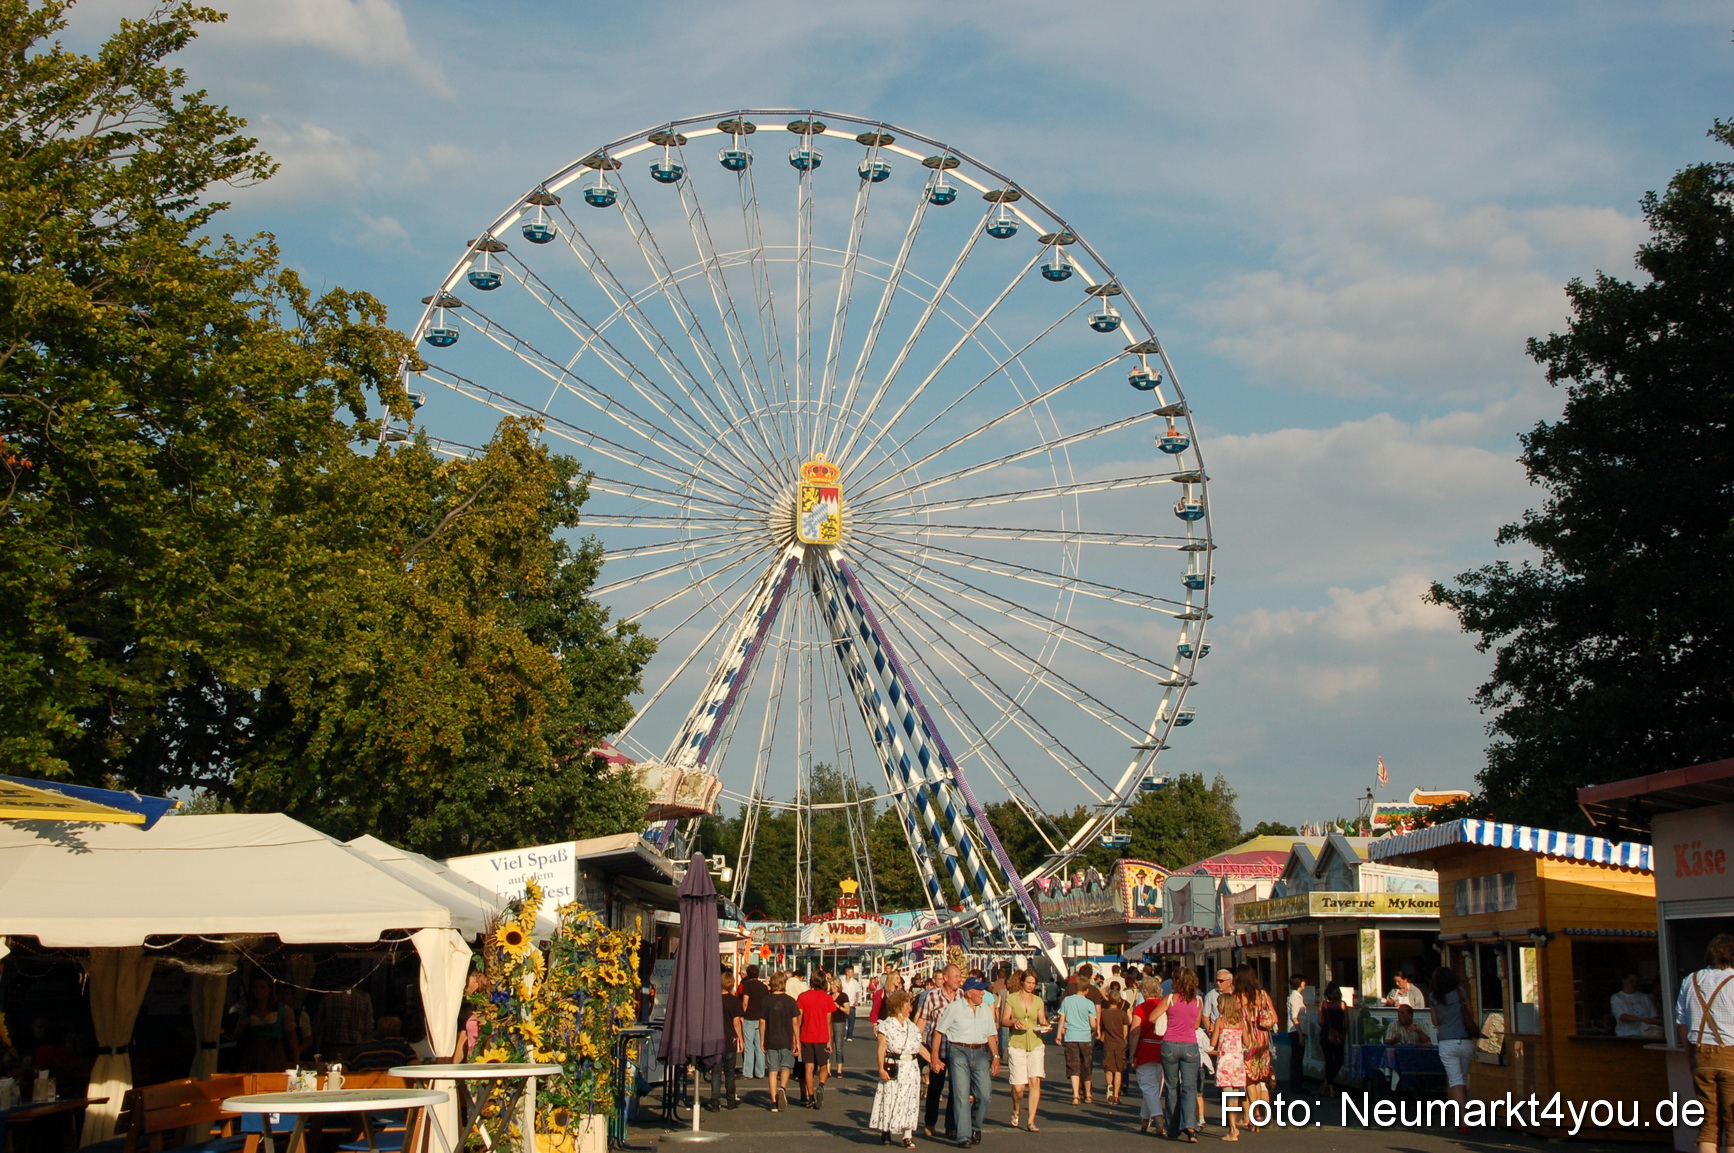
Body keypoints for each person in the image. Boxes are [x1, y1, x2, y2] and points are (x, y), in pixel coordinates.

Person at [1678, 934, 1734, 1153]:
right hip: (1730, 1051)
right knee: (1732, 1119)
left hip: (1699, 1052)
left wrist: (1689, 1055)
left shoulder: (1690, 980)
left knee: (1708, 1120)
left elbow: (1681, 1023)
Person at [932, 977, 1000, 1147]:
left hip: (981, 1052)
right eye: (979, 990)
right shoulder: (955, 1008)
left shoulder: (984, 1008)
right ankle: (963, 1136)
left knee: (984, 1095)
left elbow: (991, 1034)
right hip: (959, 1051)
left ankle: (975, 1126)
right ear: (969, 993)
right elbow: (939, 1032)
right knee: (961, 1095)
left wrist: (996, 1057)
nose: (983, 993)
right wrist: (934, 1056)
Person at [870, 991, 930, 1149]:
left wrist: (933, 1061)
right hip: (894, 1065)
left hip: (911, 1067)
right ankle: (887, 1130)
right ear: (898, 1007)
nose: (910, 1008)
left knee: (910, 1100)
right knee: (891, 1098)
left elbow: (918, 1047)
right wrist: (881, 1068)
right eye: (907, 1005)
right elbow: (881, 1048)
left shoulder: (912, 1027)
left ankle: (907, 1135)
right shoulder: (886, 1025)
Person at [916, 964, 963, 1138]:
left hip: (958, 1049)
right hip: (938, 1050)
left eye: (960, 976)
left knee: (956, 1089)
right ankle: (930, 1122)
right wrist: (914, 1038)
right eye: (956, 976)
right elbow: (923, 1019)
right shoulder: (932, 997)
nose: (959, 979)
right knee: (935, 1088)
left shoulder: (962, 996)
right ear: (945, 978)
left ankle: (951, 1125)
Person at [1000, 969, 1048, 1131]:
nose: (1031, 986)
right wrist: (1013, 1022)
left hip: (1035, 1044)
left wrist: (1045, 1026)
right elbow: (1004, 1020)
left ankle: (1031, 1120)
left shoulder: (1038, 1001)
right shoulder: (1012, 998)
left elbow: (1042, 1020)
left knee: (1035, 1081)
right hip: (1017, 1044)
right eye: (1028, 983)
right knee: (1019, 1088)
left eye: (1033, 983)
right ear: (1022, 982)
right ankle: (1016, 1108)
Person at [1429, 966, 1475, 1134]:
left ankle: (1462, 1118)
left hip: (1447, 1042)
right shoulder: (1461, 992)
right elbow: (1470, 1013)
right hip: (1466, 1040)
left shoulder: (1434, 997)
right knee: (1463, 1077)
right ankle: (1464, 1114)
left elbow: (1435, 1021)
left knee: (1455, 1080)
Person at [1159, 968, 1203, 1142]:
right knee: (1190, 1087)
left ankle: (1172, 1127)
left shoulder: (1169, 999)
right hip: (1190, 1045)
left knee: (1171, 1087)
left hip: (1170, 1043)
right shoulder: (1198, 1001)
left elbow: (1153, 1017)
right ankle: (1190, 1126)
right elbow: (1196, 1025)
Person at [1233, 966, 1279, 1127]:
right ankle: (1265, 1111)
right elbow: (1274, 1016)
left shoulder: (1238, 998)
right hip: (1263, 1039)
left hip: (1247, 1040)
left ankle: (1256, 1114)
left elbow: (1234, 1019)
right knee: (1262, 1077)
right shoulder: (1263, 995)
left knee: (1250, 1079)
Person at [232, 977, 299, 1072]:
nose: (258, 990)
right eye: (256, 987)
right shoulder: (248, 1010)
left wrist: (296, 1059)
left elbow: (292, 1037)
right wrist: (243, 1025)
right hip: (253, 1055)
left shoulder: (282, 1010)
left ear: (269, 989)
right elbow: (237, 1034)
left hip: (274, 1055)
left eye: (262, 987)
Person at [797, 971, 840, 1108]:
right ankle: (821, 1085)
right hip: (822, 1036)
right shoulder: (827, 998)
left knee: (808, 1067)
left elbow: (799, 1019)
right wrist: (830, 1040)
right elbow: (829, 1021)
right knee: (823, 1066)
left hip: (806, 1036)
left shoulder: (803, 997)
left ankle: (810, 1097)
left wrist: (796, 1038)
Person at [1130, 977, 1166, 1135]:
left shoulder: (1140, 1008)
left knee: (1148, 1086)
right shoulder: (1165, 1006)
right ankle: (1145, 1120)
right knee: (1154, 1088)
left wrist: (1132, 1053)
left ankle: (1159, 1121)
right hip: (1164, 1048)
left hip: (1145, 1048)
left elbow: (1135, 1031)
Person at [761, 972, 802, 1112]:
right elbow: (795, 1022)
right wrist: (797, 1040)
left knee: (772, 1071)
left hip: (771, 1039)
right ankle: (782, 1088)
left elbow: (762, 1022)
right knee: (785, 1067)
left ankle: (773, 1102)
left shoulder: (766, 1000)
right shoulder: (790, 1001)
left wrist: (762, 1040)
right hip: (786, 1038)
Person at [1210, 992, 1247, 1142]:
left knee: (1228, 1096)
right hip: (1237, 1062)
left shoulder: (1220, 1021)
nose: (1217, 1006)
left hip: (1225, 1062)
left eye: (1219, 1004)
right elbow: (1248, 1042)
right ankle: (1233, 1127)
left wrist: (1212, 1033)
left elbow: (1213, 1043)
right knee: (1235, 1097)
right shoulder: (1241, 1022)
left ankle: (1232, 1129)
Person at [1056, 976, 1099, 1104]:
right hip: (1085, 1037)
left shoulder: (1067, 1001)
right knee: (1086, 1065)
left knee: (1073, 1065)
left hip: (1070, 1036)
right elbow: (1093, 1023)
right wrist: (1095, 1030)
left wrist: (1059, 1034)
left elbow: (1061, 1020)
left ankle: (1075, 1095)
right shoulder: (1089, 1003)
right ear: (1086, 990)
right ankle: (1088, 1094)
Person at [709, 971, 744, 1110]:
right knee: (729, 1073)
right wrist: (740, 1039)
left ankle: (715, 1102)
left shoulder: (714, 1000)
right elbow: (736, 1023)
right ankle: (730, 1100)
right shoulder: (734, 1001)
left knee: (716, 1073)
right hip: (730, 1039)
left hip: (715, 1040)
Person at [313, 987, 374, 1066]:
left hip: (332, 1048)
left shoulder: (328, 998)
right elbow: (368, 1028)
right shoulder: (364, 998)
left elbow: (319, 1029)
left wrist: (317, 1052)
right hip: (356, 1049)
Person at [347, 1017, 418, 1071]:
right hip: (394, 1086)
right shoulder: (402, 1046)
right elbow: (415, 1067)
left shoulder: (360, 1047)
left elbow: (344, 1068)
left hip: (362, 1087)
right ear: (397, 1031)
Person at [1100, 982, 1130, 1106]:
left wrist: (1102, 1038)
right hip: (1119, 1044)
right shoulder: (1122, 1014)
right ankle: (1116, 1095)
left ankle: (1109, 1086)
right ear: (1119, 1001)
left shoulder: (1104, 1013)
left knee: (1108, 1068)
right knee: (1118, 1070)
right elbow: (1125, 1031)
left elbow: (1101, 1029)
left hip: (1108, 1043)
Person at [740, 964, 770, 1081]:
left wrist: (742, 1014)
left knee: (749, 1046)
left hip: (749, 1017)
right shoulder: (763, 987)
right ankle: (760, 1071)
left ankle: (748, 1072)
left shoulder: (747, 986)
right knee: (760, 1045)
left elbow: (745, 1002)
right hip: (761, 1018)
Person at [1317, 982, 1347, 1099]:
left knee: (1328, 1060)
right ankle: (1329, 1086)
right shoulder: (1343, 1005)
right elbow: (1346, 1022)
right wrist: (1342, 1032)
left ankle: (1328, 1085)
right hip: (1338, 1035)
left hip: (1325, 1035)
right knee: (1339, 1060)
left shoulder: (1323, 1005)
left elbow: (1320, 1021)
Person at [1612, 971, 1661, 1037]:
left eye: (1636, 982)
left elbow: (1654, 1014)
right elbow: (1622, 1016)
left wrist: (1654, 1021)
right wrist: (1641, 1019)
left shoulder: (1645, 997)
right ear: (1623, 981)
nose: (1634, 984)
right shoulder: (1617, 998)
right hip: (1626, 1035)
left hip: (1645, 1035)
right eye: (1631, 981)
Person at [1284, 975, 1307, 1097]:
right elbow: (1294, 1017)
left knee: (1297, 1058)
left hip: (1295, 1030)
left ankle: (1297, 1084)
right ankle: (1296, 1085)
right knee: (1297, 1059)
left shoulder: (1295, 996)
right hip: (1296, 1030)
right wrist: (1300, 1034)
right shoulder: (1295, 997)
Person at [830, 976, 851, 1076]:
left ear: (838, 985)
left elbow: (847, 1011)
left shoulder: (843, 996)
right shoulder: (829, 995)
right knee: (829, 1046)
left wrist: (837, 1006)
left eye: (833, 984)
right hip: (829, 1022)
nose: (832, 986)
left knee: (838, 1046)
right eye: (831, 984)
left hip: (839, 1022)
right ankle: (828, 1068)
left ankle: (839, 1068)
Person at [844, 965, 864, 1042]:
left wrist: (857, 1000)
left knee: (851, 1021)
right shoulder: (842, 980)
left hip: (851, 1004)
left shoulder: (855, 982)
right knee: (842, 1021)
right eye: (851, 972)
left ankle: (849, 1036)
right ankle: (842, 1034)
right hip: (843, 1004)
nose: (852, 973)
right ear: (847, 972)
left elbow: (857, 992)